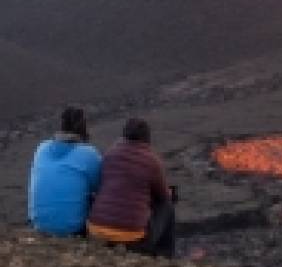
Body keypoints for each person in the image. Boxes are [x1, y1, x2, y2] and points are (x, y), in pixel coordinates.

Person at [87, 117, 175, 257]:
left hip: (97, 232)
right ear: (147, 138)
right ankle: (164, 256)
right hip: (131, 240)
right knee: (168, 204)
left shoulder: (109, 154)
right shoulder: (151, 160)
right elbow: (163, 196)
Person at [27, 106, 103, 237]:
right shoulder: (88, 153)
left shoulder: (42, 147)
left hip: (39, 224)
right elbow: (99, 186)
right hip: (72, 228)